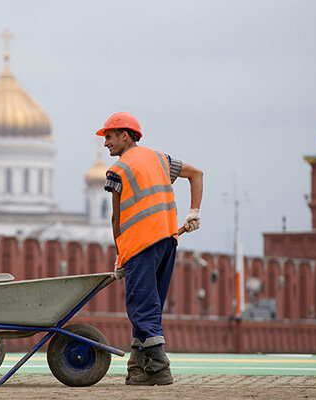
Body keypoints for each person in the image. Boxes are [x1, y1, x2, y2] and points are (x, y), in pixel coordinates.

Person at [96, 112, 203, 386]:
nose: (105, 142)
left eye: (109, 136)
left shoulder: (117, 171)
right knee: (150, 305)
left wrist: (120, 256)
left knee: (141, 305)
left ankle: (159, 366)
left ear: (125, 135)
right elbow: (197, 174)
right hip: (167, 240)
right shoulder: (160, 158)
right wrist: (194, 212)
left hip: (140, 245)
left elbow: (116, 218)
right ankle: (139, 367)